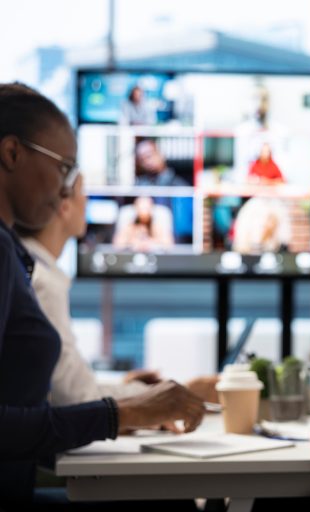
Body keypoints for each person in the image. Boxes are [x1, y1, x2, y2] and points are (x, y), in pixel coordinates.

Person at [0, 82, 205, 504]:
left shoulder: (12, 251)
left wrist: (127, 399)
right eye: (64, 167)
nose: (65, 190)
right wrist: (124, 412)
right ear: (12, 153)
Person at [16, 175, 219, 407]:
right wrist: (177, 396)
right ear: (64, 206)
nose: (88, 200)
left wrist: (137, 390)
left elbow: (73, 389)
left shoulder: (32, 267)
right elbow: (78, 400)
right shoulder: (43, 282)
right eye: (83, 193)